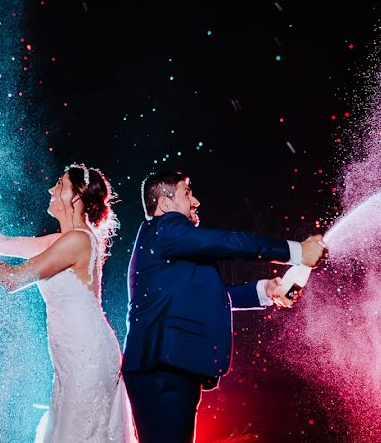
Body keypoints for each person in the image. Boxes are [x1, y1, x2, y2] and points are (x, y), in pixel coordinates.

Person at [0, 164, 136, 443]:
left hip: (86, 355)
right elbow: (1, 243)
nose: (51, 189)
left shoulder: (78, 240)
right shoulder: (64, 240)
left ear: (75, 197)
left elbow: (12, 280)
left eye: (60, 185)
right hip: (71, 357)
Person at [122, 171, 328, 443]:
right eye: (187, 193)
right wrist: (297, 252)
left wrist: (264, 290)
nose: (196, 201)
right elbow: (231, 243)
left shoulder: (171, 247)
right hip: (164, 368)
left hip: (168, 367)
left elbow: (208, 299)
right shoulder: (165, 228)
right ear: (164, 204)